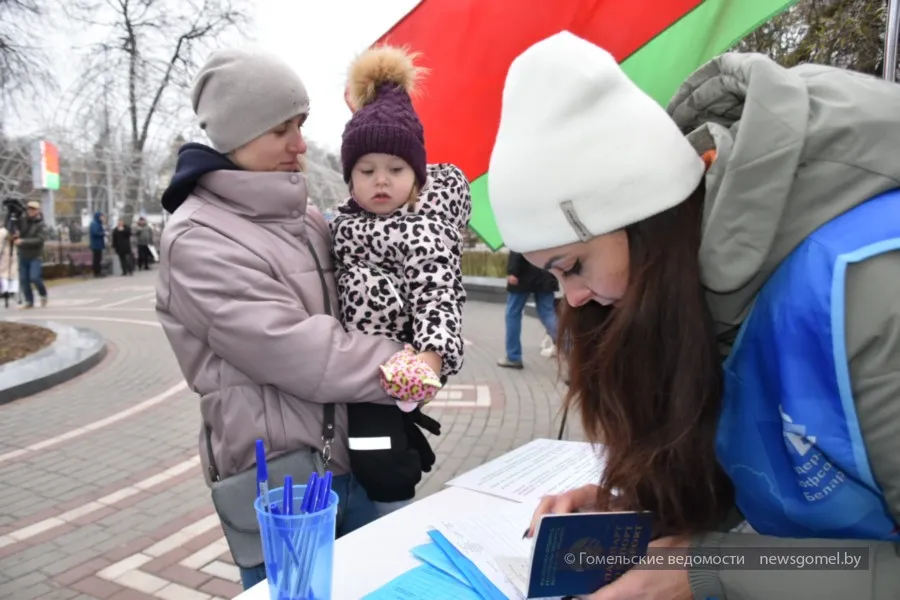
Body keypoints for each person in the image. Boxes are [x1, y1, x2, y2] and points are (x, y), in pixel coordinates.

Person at [488, 31, 900, 599]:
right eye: (553, 278)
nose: (573, 299)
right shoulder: (712, 297)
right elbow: (773, 490)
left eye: (573, 266)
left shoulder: (872, 295)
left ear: (643, 223)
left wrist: (714, 571)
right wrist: (640, 515)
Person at [154, 47, 409, 591]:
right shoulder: (198, 238)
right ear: (234, 136)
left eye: (301, 124)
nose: (299, 144)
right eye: (280, 130)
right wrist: (410, 368)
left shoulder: (304, 216)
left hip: (349, 461)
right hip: (284, 486)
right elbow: (302, 352)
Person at [332, 44, 471, 516]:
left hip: (394, 371)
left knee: (384, 472)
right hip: (343, 369)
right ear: (350, 177)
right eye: (366, 170)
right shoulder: (340, 225)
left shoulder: (424, 229)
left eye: (395, 169)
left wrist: (429, 360)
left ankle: (391, 525)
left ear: (417, 176)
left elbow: (438, 297)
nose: (381, 181)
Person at [497, 251, 558, 369]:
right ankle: (572, 350)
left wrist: (513, 271)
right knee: (548, 314)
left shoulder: (518, 232)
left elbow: (517, 245)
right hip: (546, 271)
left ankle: (513, 357)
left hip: (522, 273)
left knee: (512, 313)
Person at [15, 201, 48, 309]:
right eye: (29, 209)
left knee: (35, 277)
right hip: (23, 254)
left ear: (38, 211)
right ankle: (29, 301)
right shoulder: (22, 221)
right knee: (24, 279)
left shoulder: (41, 224)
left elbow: (40, 240)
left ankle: (43, 294)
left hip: (35, 255)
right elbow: (14, 229)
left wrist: (23, 241)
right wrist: (15, 233)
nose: (31, 211)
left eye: (33, 209)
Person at [0, 223, 19, 305]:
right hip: (9, 253)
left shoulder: (2, 232)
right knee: (11, 272)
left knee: (4, 272)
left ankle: (6, 291)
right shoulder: (6, 231)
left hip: (6, 253)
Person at [89, 211, 106, 277]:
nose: (103, 218)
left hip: (98, 244)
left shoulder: (98, 223)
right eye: (102, 216)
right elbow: (95, 232)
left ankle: (98, 271)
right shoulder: (95, 224)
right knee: (96, 259)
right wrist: (103, 233)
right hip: (96, 244)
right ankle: (96, 272)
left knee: (98, 258)